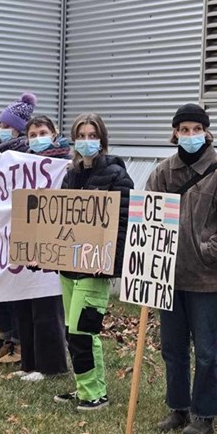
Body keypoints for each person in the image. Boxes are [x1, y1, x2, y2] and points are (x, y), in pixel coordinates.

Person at [146, 104, 217, 434]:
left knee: (206, 351)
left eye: (196, 129)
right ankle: (178, 408)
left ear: (206, 131)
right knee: (172, 348)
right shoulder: (162, 172)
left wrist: (209, 252)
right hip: (169, 278)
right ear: (175, 132)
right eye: (183, 129)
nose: (189, 135)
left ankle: (204, 414)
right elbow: (148, 213)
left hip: (207, 279)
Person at [53, 113, 133, 409]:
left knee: (83, 331)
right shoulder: (70, 175)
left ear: (102, 139)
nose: (87, 141)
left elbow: (123, 224)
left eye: (92, 135)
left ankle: (94, 395)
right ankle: (86, 386)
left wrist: (111, 262)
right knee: (71, 329)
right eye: (81, 136)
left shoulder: (117, 176)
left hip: (95, 268)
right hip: (68, 266)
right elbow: (58, 219)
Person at [7, 114, 71, 380]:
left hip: (52, 242)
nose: (37, 139)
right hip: (25, 238)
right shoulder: (18, 163)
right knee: (24, 305)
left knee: (46, 306)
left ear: (54, 134)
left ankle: (51, 365)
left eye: (42, 133)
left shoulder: (65, 164)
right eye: (32, 135)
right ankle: (29, 364)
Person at [0, 93, 37, 362]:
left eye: (6, 126)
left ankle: (18, 342)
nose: (1, 130)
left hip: (18, 228)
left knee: (15, 287)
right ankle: (5, 337)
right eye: (1, 126)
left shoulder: (30, 156)